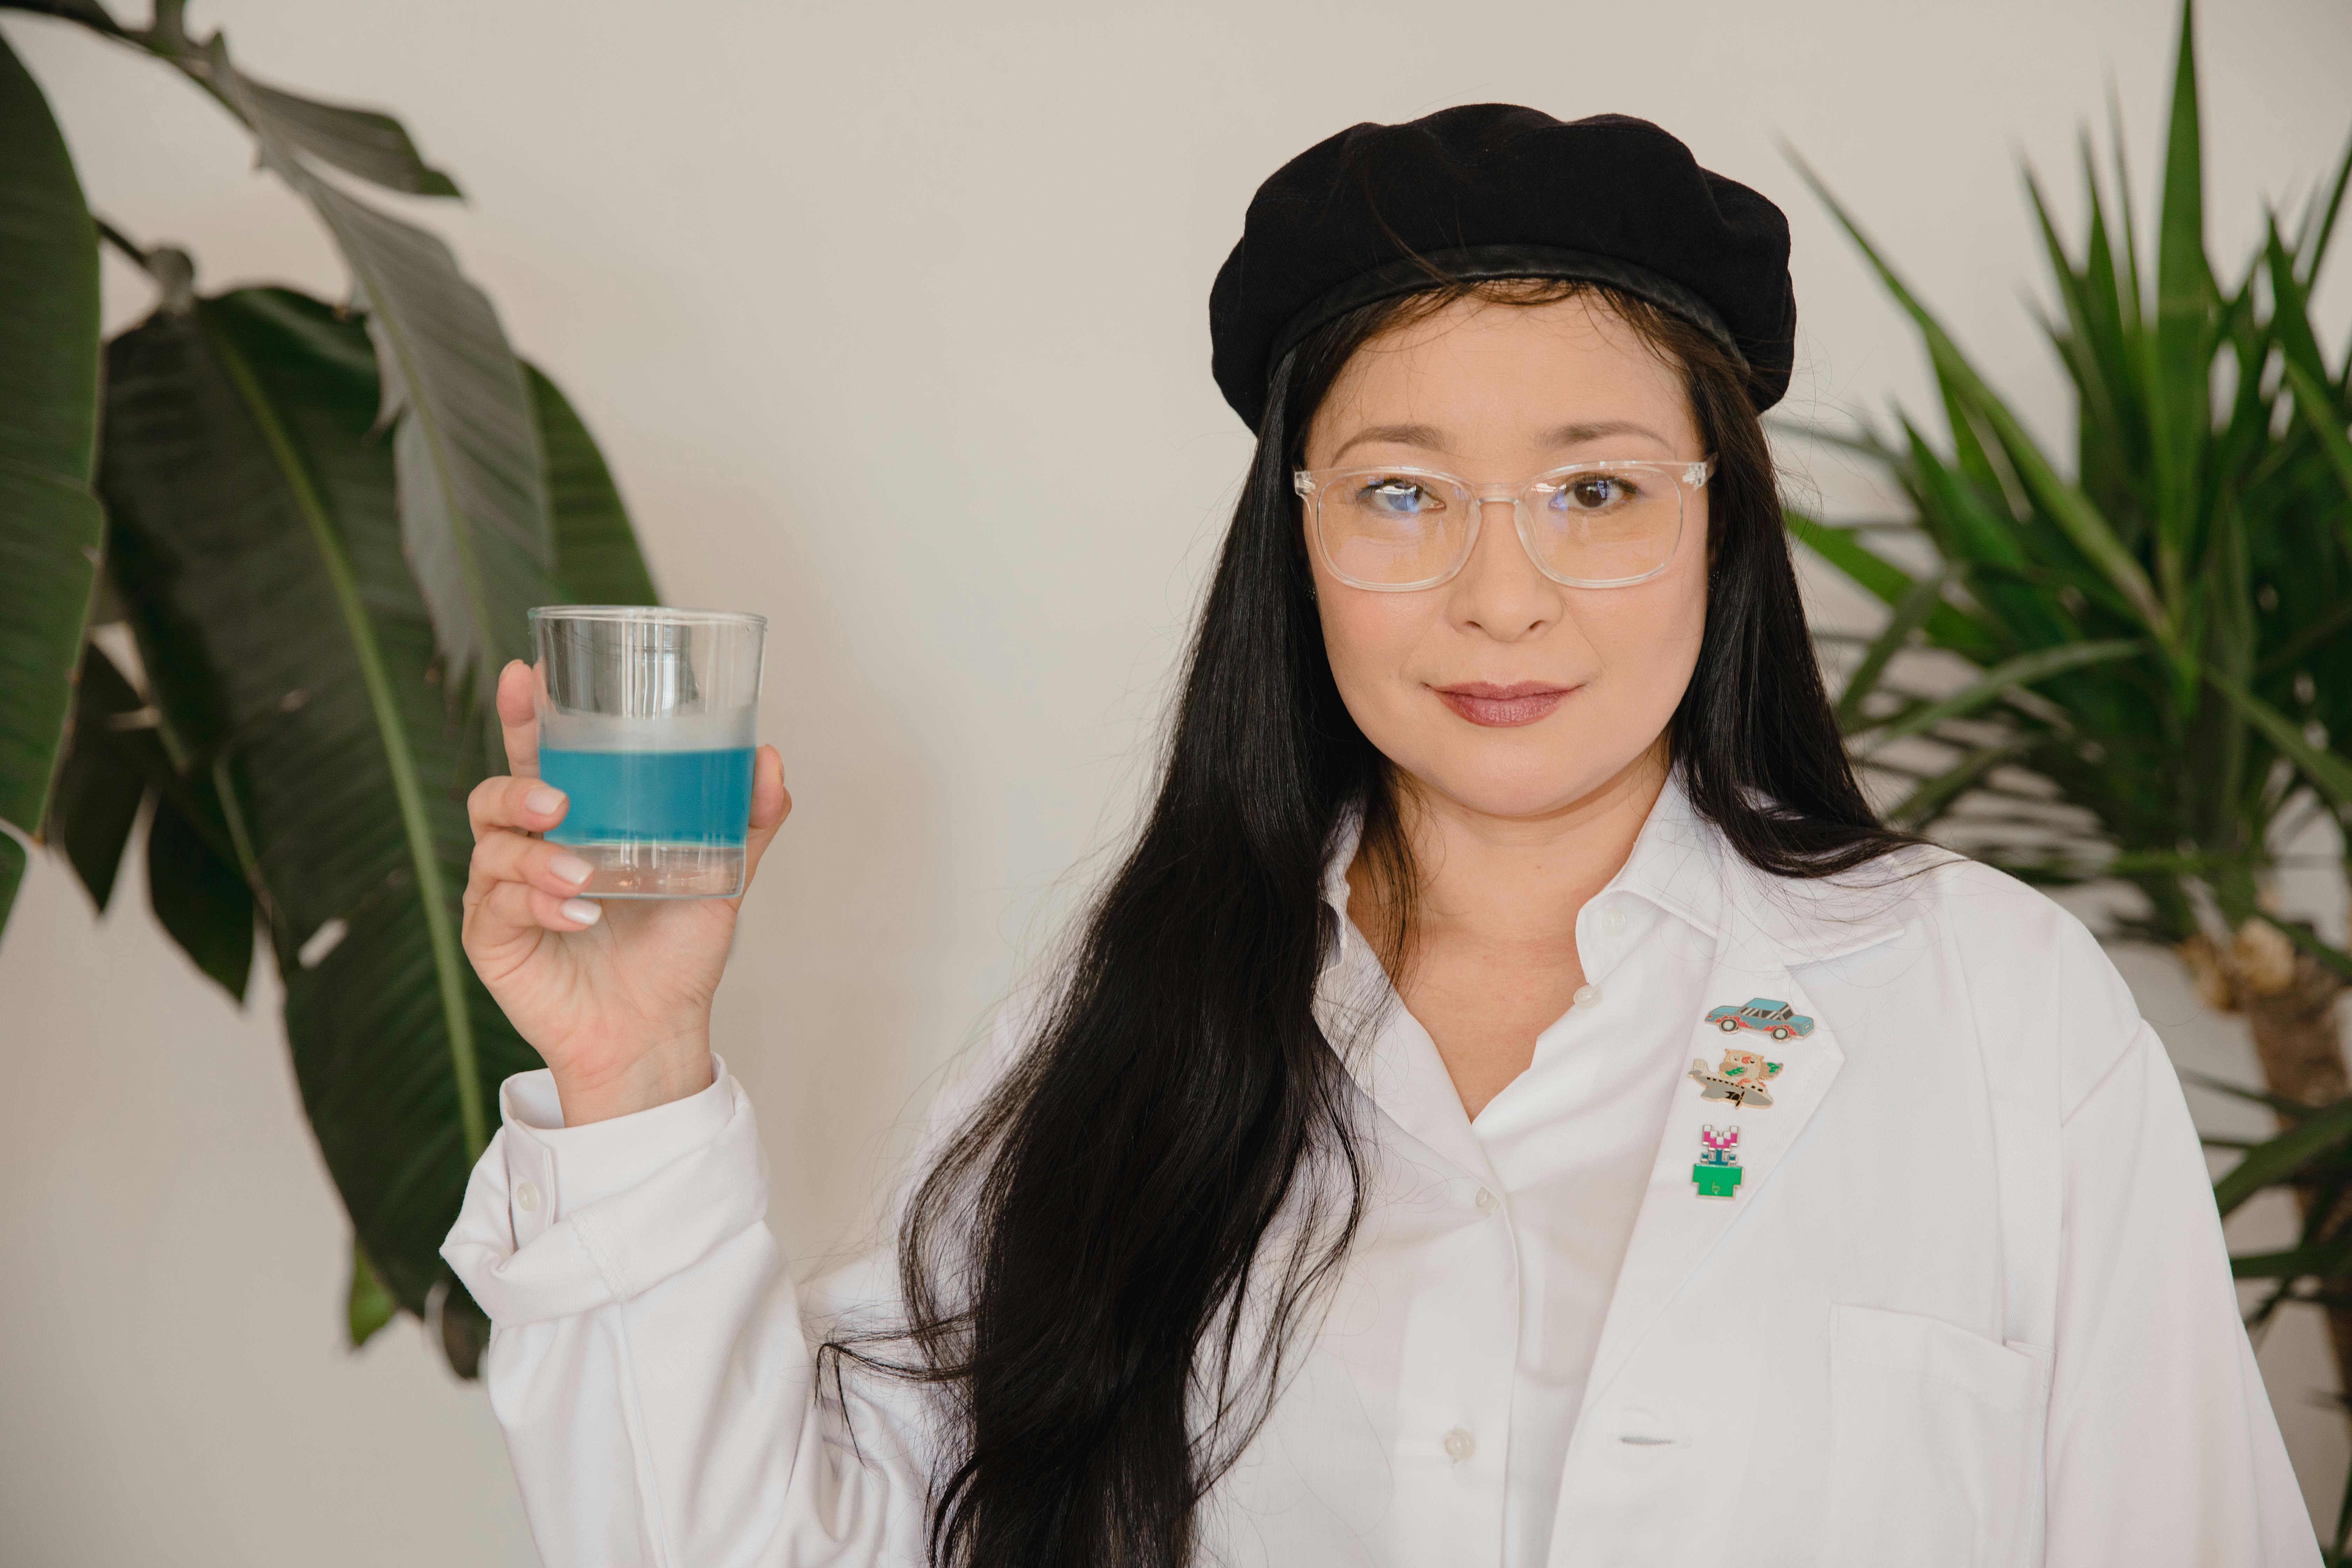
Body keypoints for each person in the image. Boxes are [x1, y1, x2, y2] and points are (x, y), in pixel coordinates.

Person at [443, 105, 2317, 1567]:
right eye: (1406, 494)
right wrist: (634, 1073)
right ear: (1302, 539)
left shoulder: (1992, 1010)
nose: (1500, 598)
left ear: (1724, 527)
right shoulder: (1128, 1025)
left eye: (1594, 489)